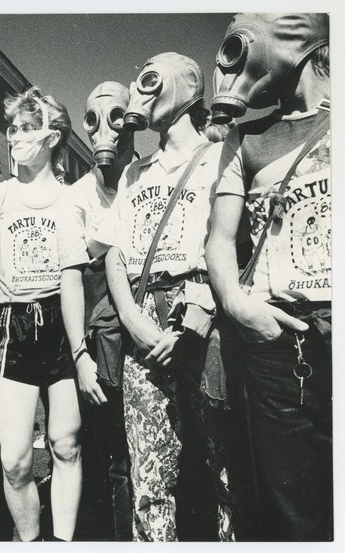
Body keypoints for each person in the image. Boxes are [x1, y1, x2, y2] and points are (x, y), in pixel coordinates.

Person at [94, 52, 231, 541]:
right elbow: (114, 254)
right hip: (144, 316)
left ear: (186, 87)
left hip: (205, 316)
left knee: (225, 471)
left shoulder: (222, 156)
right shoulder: (134, 174)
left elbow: (236, 241)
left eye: (150, 79)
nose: (139, 90)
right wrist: (132, 318)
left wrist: (200, 311)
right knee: (149, 476)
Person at [206, 13, 331, 541]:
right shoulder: (246, 138)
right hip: (284, 345)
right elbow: (217, 238)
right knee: (292, 507)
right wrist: (239, 305)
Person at [0, 87, 82, 542]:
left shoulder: (73, 198)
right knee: (15, 460)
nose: (14, 136)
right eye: (11, 128)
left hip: (62, 321)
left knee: (65, 444)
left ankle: (62, 543)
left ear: (52, 136)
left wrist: (81, 348)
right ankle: (30, 540)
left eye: (27, 128)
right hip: (14, 326)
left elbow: (77, 276)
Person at [59, 81, 135, 541]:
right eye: (93, 118)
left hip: (151, 329)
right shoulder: (78, 196)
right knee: (111, 451)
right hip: (103, 339)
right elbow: (75, 267)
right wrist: (80, 356)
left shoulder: (153, 176)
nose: (104, 129)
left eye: (117, 116)